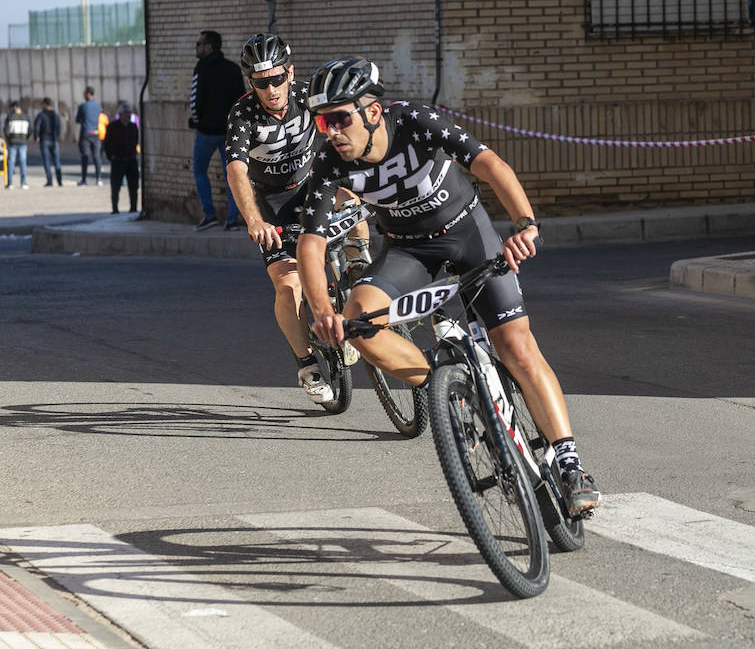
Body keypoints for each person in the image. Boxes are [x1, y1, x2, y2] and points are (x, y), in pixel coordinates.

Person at [299, 57, 601, 516]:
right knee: (357, 322)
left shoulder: (416, 122)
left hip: (468, 234)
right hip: (409, 251)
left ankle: (569, 464)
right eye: (323, 122)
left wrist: (525, 224)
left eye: (340, 118)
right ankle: (445, 384)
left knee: (517, 348)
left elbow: (490, 165)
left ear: (373, 112)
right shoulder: (329, 162)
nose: (332, 131)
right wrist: (323, 309)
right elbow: (312, 242)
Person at [225, 34, 370, 404]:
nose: (271, 89)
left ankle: (358, 275)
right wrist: (254, 220)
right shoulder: (243, 114)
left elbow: (347, 129)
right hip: (271, 203)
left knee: (354, 204)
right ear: (250, 83)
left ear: (290, 72)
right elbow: (237, 170)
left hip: (312, 184)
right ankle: (307, 364)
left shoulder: (308, 96)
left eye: (277, 79)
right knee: (288, 286)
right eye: (261, 83)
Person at [188, 30, 245, 230]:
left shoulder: (201, 68)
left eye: (199, 44)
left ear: (209, 47)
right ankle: (232, 219)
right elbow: (241, 100)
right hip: (229, 131)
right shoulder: (233, 69)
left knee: (199, 170)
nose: (197, 47)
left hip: (207, 131)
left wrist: (196, 121)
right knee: (232, 174)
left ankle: (210, 215)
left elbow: (195, 100)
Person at [103, 102, 140, 214]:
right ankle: (115, 209)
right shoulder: (112, 126)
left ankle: (133, 208)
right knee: (115, 186)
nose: (128, 115)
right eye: (125, 113)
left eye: (129, 113)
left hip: (131, 160)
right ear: (120, 114)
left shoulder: (133, 127)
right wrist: (111, 157)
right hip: (117, 160)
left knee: (133, 186)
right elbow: (107, 144)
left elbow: (136, 140)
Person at [74, 86, 103, 186]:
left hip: (86, 133)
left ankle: (84, 180)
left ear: (88, 94)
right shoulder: (98, 106)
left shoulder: (83, 106)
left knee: (85, 156)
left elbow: (77, 120)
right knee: (97, 156)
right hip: (96, 133)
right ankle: (99, 179)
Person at [33, 97, 63, 186]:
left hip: (44, 140)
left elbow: (36, 126)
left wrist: (36, 136)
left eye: (43, 104)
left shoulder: (41, 115)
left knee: (46, 161)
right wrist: (57, 137)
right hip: (54, 140)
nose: (42, 106)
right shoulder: (55, 115)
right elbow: (59, 127)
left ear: (46, 104)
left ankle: (50, 181)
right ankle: (59, 181)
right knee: (57, 161)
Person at [3, 99, 31, 189]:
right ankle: (23, 183)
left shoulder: (10, 117)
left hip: (13, 142)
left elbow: (5, 130)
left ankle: (10, 183)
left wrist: (9, 138)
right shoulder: (26, 117)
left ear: (15, 107)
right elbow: (30, 130)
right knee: (23, 162)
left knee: (11, 162)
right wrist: (25, 138)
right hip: (23, 142)